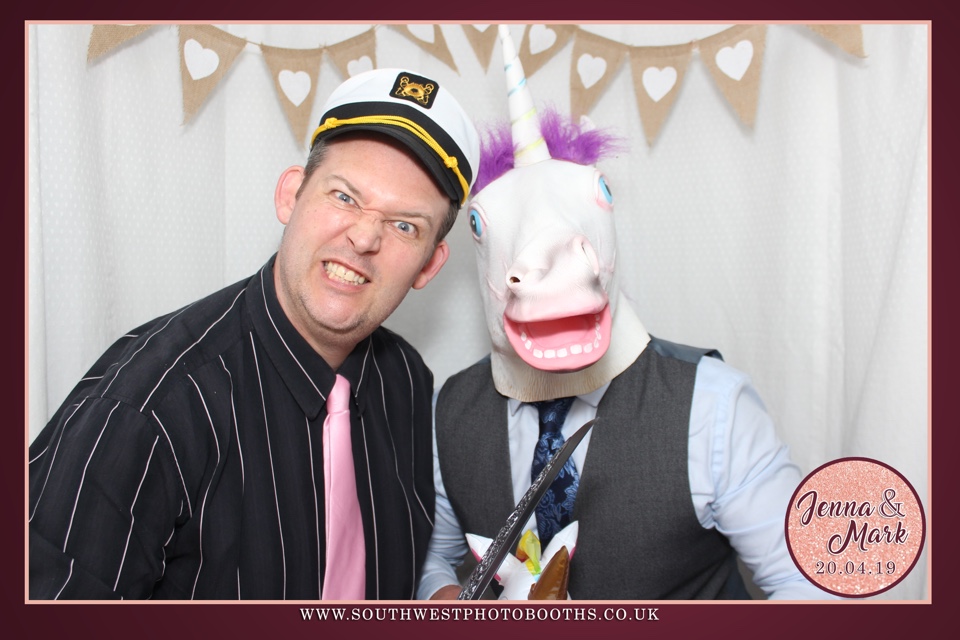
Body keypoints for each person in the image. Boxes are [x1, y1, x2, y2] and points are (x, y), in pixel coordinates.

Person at [29, 68, 480, 600]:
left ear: (429, 265)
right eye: (344, 196)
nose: (363, 237)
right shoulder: (145, 411)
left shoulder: (407, 380)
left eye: (405, 226)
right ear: (291, 195)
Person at [416, 27, 829, 601]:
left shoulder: (712, 407)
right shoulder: (450, 411)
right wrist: (445, 600)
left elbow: (811, 584)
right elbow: (433, 557)